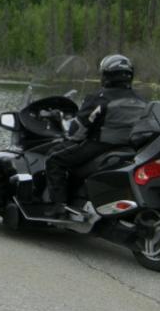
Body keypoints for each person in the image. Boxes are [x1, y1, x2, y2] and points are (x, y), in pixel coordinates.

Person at [44, 54, 146, 217]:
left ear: (107, 75)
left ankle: (58, 205)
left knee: (54, 158)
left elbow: (79, 130)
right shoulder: (141, 101)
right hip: (129, 147)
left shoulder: (100, 98)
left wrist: (67, 131)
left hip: (101, 145)